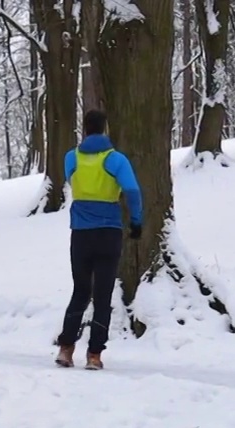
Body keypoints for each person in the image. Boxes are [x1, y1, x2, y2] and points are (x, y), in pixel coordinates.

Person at [54, 109, 143, 370]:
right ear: (105, 129)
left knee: (80, 291)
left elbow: (72, 182)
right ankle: (94, 355)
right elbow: (132, 190)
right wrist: (136, 221)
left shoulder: (71, 158)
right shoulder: (116, 159)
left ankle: (66, 349)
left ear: (85, 129)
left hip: (81, 233)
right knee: (102, 295)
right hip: (109, 233)